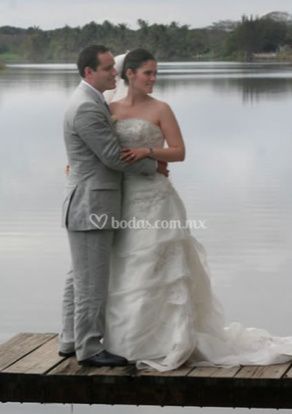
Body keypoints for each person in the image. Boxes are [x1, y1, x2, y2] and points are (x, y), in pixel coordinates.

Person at [102, 48, 292, 372]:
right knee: (128, 266)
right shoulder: (110, 109)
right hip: (124, 198)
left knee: (160, 266)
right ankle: (126, 341)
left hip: (158, 199)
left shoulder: (161, 108)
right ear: (129, 74)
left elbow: (179, 151)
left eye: (156, 73)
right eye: (148, 72)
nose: (153, 78)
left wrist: (149, 151)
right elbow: (100, 148)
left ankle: (170, 340)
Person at [58, 45, 167, 367]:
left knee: (79, 276)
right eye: (107, 69)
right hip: (92, 204)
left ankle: (69, 339)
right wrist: (154, 167)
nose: (114, 74)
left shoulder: (90, 100)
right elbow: (111, 156)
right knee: (91, 280)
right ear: (89, 72)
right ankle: (90, 348)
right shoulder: (87, 108)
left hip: (89, 200)